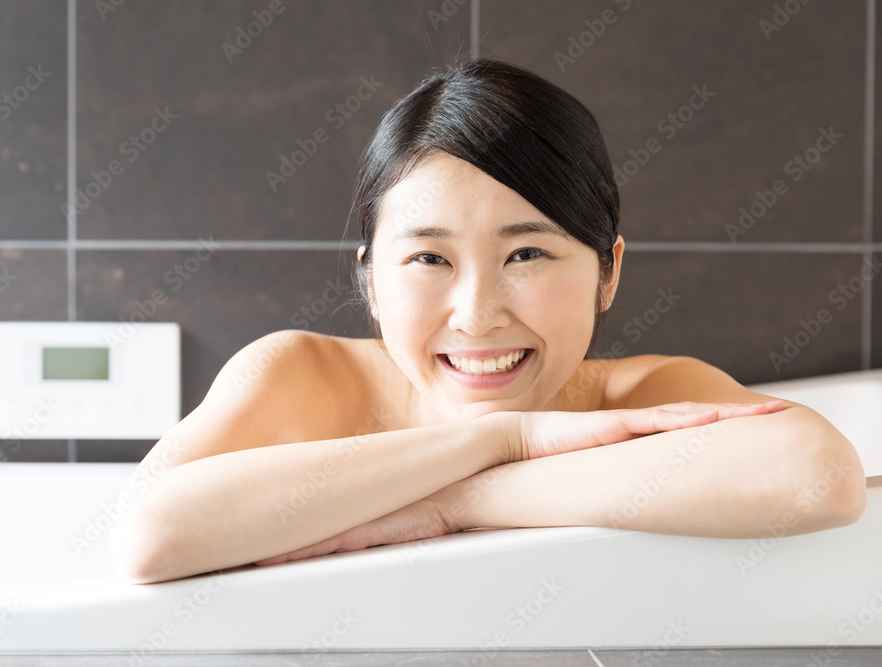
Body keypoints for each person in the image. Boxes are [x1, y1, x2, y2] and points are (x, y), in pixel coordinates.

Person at [110, 58, 866, 585]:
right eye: (429, 259)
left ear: (609, 270)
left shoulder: (639, 397)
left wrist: (454, 498)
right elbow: (148, 534)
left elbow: (818, 474)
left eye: (528, 252)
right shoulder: (303, 376)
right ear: (371, 278)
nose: (477, 315)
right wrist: (506, 438)